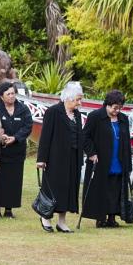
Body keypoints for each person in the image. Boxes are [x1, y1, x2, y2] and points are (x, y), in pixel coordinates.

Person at [36, 81, 85, 233]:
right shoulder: (53, 112)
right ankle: (45, 217)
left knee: (69, 189)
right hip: (55, 158)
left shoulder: (77, 114)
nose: (79, 102)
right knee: (53, 189)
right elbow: (45, 137)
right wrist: (41, 159)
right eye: (77, 99)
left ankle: (62, 222)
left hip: (73, 158)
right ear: (68, 98)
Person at [82, 90, 133, 228]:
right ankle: (100, 218)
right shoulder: (95, 116)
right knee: (101, 189)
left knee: (116, 189)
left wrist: (128, 163)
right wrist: (91, 153)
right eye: (114, 107)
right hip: (101, 160)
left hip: (119, 159)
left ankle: (112, 217)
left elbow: (127, 141)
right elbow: (85, 137)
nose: (117, 111)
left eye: (119, 108)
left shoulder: (123, 119)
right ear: (107, 104)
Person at [0, 81, 32, 218]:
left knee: (13, 181)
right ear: (2, 97)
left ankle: (9, 210)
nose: (11, 96)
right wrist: (1, 136)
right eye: (8, 94)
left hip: (17, 151)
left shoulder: (23, 109)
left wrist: (15, 138)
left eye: (13, 93)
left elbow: (28, 126)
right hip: (0, 152)